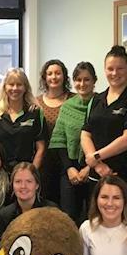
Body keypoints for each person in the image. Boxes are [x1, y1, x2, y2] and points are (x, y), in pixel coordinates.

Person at [81, 45, 127, 208]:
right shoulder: (96, 100)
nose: (114, 73)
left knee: (124, 218)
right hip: (96, 173)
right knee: (95, 217)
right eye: (110, 69)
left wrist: (96, 157)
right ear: (104, 70)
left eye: (120, 68)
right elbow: (85, 134)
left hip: (124, 173)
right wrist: (97, 165)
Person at [49, 61, 97, 224]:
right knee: (68, 217)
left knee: (93, 217)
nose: (82, 84)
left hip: (95, 168)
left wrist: (89, 168)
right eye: (78, 80)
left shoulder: (101, 105)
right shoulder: (67, 107)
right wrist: (69, 168)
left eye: (87, 79)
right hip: (70, 170)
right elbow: (60, 140)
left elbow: (104, 140)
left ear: (94, 81)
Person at [0, 68, 46, 169]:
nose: (15, 88)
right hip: (2, 171)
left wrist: (31, 172)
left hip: (27, 170)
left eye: (19, 84)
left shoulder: (35, 113)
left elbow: (41, 148)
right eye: (11, 84)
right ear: (5, 87)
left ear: (25, 87)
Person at [36, 59, 73, 204]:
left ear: (64, 76)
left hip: (68, 161)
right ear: (44, 77)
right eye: (50, 73)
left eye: (58, 73)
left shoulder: (74, 99)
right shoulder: (36, 102)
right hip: (45, 161)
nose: (54, 77)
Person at [0, 162, 55, 244]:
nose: (23, 186)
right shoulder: (3, 216)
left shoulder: (51, 211)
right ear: (12, 185)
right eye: (18, 181)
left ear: (37, 185)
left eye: (29, 181)